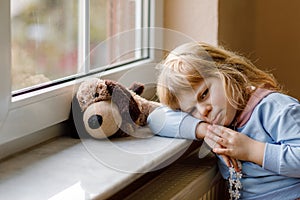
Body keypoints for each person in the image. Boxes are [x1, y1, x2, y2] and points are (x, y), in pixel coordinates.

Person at [147, 42, 300, 199]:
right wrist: (204, 130)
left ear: (227, 71)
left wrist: (251, 150)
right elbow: (156, 119)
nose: (202, 111)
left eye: (204, 94)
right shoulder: (216, 125)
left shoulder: (274, 108)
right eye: (191, 111)